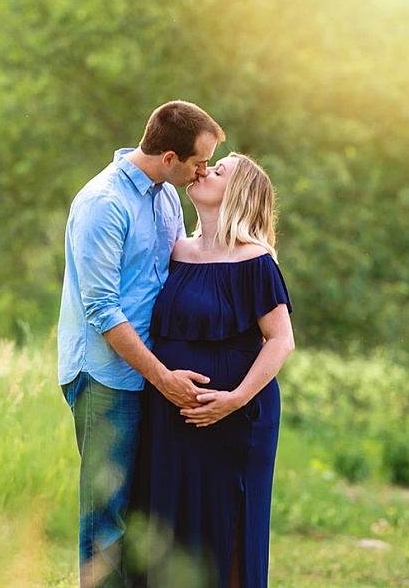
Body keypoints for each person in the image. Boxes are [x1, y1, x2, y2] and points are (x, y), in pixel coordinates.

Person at [57, 100, 226, 588]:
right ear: (170, 158)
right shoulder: (103, 203)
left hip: (153, 371)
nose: (204, 171)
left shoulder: (165, 197)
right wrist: (162, 377)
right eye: (198, 162)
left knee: (144, 507)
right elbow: (103, 310)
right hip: (106, 375)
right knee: (106, 512)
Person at [132, 153, 295, 588]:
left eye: (218, 170)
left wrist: (234, 400)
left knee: (228, 528)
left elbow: (281, 341)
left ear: (237, 195)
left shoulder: (255, 259)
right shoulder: (178, 251)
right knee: (172, 522)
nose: (204, 170)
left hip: (234, 420)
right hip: (171, 414)